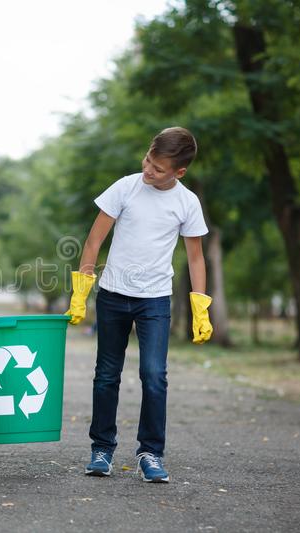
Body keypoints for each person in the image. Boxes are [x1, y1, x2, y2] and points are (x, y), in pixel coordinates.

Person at [66, 127, 213, 483]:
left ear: (179, 172)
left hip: (155, 300)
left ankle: (151, 452)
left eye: (158, 168)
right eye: (148, 160)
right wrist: (81, 290)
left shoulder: (186, 203)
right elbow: (94, 241)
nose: (149, 170)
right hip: (114, 295)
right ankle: (101, 448)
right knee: (106, 375)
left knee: (154, 375)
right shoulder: (125, 187)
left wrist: (200, 306)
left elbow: (195, 258)